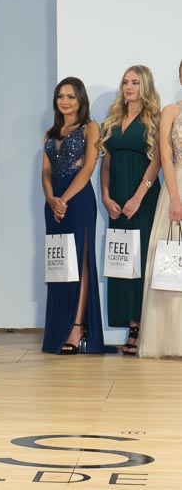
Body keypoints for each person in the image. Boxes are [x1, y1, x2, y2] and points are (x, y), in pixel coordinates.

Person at [41, 77, 115, 356]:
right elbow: (45, 172)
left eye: (71, 96)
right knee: (59, 264)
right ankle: (58, 328)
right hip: (54, 204)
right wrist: (51, 199)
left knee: (81, 262)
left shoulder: (91, 128)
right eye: (61, 96)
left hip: (79, 201)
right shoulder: (50, 133)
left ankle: (77, 327)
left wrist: (64, 199)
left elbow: (88, 169)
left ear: (81, 99)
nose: (65, 101)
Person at [99, 65, 161, 356]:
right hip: (117, 199)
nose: (128, 87)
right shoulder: (112, 119)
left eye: (135, 82)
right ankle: (130, 323)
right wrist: (105, 196)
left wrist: (137, 197)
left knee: (142, 261)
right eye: (125, 82)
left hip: (143, 198)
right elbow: (106, 163)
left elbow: (156, 162)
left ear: (145, 86)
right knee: (121, 260)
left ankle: (140, 327)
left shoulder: (154, 119)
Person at [140, 60, 182, 358]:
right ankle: (171, 339)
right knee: (171, 261)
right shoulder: (171, 111)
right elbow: (165, 156)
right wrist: (175, 199)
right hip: (176, 187)